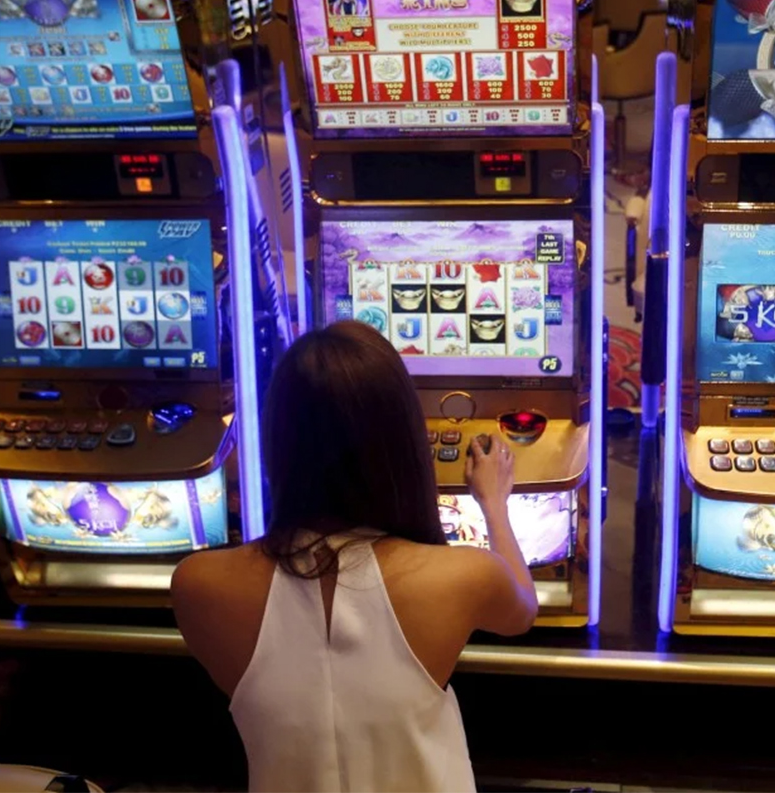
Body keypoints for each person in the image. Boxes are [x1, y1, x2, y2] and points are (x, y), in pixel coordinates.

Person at [173, 321, 539, 792]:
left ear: (277, 441)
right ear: (402, 442)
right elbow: (522, 610)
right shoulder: (465, 575)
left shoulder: (197, 583)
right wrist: (494, 502)